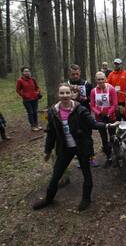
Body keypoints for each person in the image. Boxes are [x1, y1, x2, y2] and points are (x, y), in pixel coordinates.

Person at [32, 83, 119, 211]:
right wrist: (48, 150)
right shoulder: (53, 112)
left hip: (82, 146)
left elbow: (93, 123)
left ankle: (86, 199)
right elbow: (51, 132)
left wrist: (108, 126)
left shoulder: (80, 109)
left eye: (67, 93)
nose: (65, 95)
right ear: (58, 95)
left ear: (72, 94)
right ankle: (48, 199)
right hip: (65, 148)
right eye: (62, 93)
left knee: (86, 174)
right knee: (56, 175)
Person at [67, 64, 97, 167]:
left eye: (77, 74)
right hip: (71, 115)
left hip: (85, 114)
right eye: (73, 74)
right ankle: (81, 159)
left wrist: (85, 99)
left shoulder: (87, 84)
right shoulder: (66, 84)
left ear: (80, 73)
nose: (75, 76)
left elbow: (92, 98)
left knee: (88, 136)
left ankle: (92, 157)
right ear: (69, 74)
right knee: (76, 137)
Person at [90, 72, 118, 168]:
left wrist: (109, 113)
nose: (101, 81)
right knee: (103, 138)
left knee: (112, 136)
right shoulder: (93, 91)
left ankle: (116, 155)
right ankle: (108, 157)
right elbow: (92, 105)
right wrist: (98, 113)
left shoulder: (111, 89)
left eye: (102, 79)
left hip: (111, 117)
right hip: (100, 118)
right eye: (99, 79)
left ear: (105, 79)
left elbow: (115, 104)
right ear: (96, 80)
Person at [16, 67, 42, 131]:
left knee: (35, 112)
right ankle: (32, 126)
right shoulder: (20, 81)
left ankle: (36, 125)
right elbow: (18, 90)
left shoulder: (33, 79)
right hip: (27, 100)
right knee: (30, 113)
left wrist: (37, 92)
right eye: (25, 71)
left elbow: (37, 87)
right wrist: (24, 95)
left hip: (35, 99)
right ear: (22, 72)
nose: (27, 72)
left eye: (28, 71)